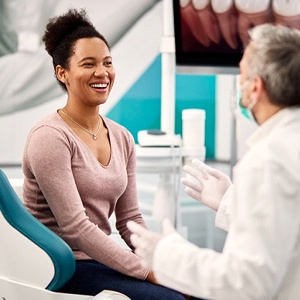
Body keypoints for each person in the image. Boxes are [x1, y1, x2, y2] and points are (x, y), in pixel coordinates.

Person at [22, 8, 199, 300]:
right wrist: (147, 271)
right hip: (60, 267)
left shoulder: (121, 137)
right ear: (62, 73)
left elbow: (130, 219)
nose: (102, 72)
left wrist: (162, 260)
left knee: (203, 291)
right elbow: (76, 229)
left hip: (98, 260)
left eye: (107, 63)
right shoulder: (49, 137)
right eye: (88, 64)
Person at [127, 23, 300, 299]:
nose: (239, 88)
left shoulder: (268, 160)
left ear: (255, 88)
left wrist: (167, 254)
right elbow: (288, 233)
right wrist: (232, 203)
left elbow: (245, 283)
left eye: (241, 77)